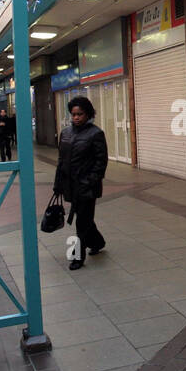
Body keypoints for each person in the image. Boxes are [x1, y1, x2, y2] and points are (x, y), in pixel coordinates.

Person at [53, 95, 107, 270]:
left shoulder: (96, 134)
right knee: (85, 220)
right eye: (73, 114)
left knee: (81, 222)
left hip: (87, 187)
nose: (76, 117)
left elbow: (101, 162)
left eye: (80, 114)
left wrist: (90, 181)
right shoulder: (66, 133)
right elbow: (61, 161)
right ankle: (98, 242)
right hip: (70, 185)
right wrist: (57, 184)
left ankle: (78, 257)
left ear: (88, 114)